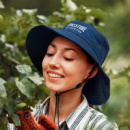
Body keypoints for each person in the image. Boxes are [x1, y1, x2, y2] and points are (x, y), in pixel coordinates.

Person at [8, 20, 118, 130]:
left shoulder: (101, 127)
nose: (53, 62)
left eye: (68, 57)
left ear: (91, 71)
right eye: (50, 53)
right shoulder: (21, 120)